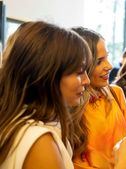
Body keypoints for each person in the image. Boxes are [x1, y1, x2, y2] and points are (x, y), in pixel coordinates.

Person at [0, 21, 91, 169]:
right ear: (47, 76)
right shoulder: (40, 142)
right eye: (79, 71)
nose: (87, 81)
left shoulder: (21, 123)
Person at [71, 27, 126, 169]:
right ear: (81, 65)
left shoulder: (116, 93)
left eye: (107, 57)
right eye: (99, 61)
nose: (109, 66)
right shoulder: (71, 106)